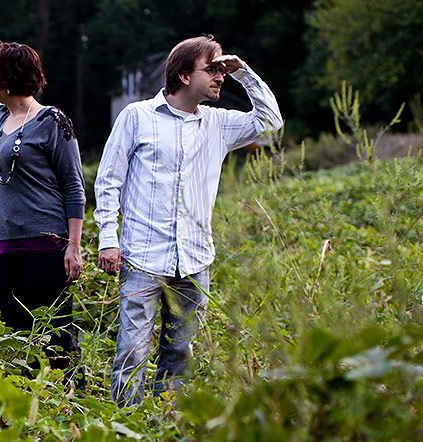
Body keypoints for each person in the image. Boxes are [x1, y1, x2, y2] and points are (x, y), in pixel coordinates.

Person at [94, 35, 283, 406]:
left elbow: (271, 122)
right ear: (183, 76)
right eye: (211, 70)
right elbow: (108, 181)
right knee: (132, 350)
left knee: (180, 351)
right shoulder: (136, 117)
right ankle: (124, 424)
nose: (220, 77)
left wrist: (243, 73)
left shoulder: (218, 124)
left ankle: (166, 421)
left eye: (221, 70)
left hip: (195, 259)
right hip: (142, 257)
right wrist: (107, 239)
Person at [0, 42, 86, 375]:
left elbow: (74, 186)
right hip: (5, 247)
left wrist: (73, 247)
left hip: (47, 247)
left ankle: (71, 399)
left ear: (10, 78)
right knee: (14, 336)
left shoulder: (51, 120)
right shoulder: (0, 117)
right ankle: (26, 403)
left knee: (56, 337)